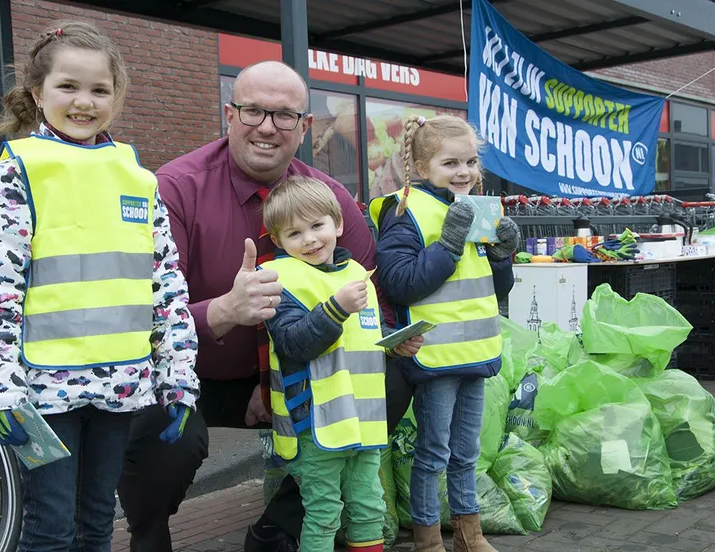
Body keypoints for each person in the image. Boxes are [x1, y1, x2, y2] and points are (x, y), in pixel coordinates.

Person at [117, 60, 415, 552]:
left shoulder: (330, 200)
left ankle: (283, 524)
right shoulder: (173, 189)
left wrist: (394, 339)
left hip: (304, 378)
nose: (267, 128)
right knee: (156, 428)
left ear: (305, 127)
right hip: (197, 375)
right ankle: (150, 536)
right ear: (230, 115)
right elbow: (137, 317)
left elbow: (374, 299)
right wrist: (224, 310)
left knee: (394, 379)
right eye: (254, 111)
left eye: (284, 116)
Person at [0, 21, 199, 552]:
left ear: (117, 96)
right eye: (68, 87)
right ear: (36, 93)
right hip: (42, 391)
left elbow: (165, 284)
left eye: (99, 89)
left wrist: (178, 375)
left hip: (118, 387)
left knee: (96, 523)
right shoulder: (16, 172)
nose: (84, 102)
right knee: (47, 529)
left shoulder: (137, 176)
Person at [369, 115, 519, 552]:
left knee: (466, 454)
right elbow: (399, 282)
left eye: (471, 161)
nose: (464, 172)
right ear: (419, 167)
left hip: (476, 352)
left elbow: (496, 288)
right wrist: (448, 245)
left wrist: (503, 256)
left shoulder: (481, 209)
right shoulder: (404, 211)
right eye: (450, 162)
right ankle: (428, 540)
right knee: (433, 454)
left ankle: (470, 536)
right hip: (433, 357)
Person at [260, 175, 423, 552]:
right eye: (295, 233)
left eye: (317, 226)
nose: (310, 239)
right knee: (323, 513)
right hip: (316, 426)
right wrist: (335, 309)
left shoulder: (356, 275)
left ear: (338, 224)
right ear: (278, 241)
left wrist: (395, 346)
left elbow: (367, 336)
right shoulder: (278, 280)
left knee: (370, 510)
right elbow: (294, 342)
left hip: (364, 423)